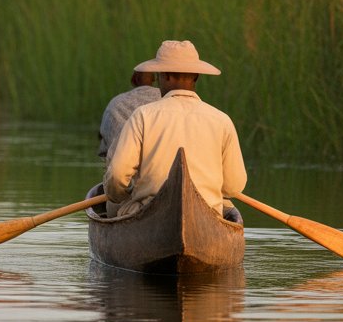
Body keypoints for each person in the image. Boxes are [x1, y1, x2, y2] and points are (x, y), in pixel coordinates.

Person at [103, 40, 246, 220]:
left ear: (165, 75)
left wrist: (120, 195)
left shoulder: (143, 115)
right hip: (206, 214)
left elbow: (117, 175)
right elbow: (234, 186)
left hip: (148, 211)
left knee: (112, 206)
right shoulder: (222, 120)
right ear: (196, 76)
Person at [98, 68, 161, 159]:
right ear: (154, 80)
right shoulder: (164, 98)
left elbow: (103, 135)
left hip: (123, 159)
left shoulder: (116, 102)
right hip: (157, 157)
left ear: (133, 80)